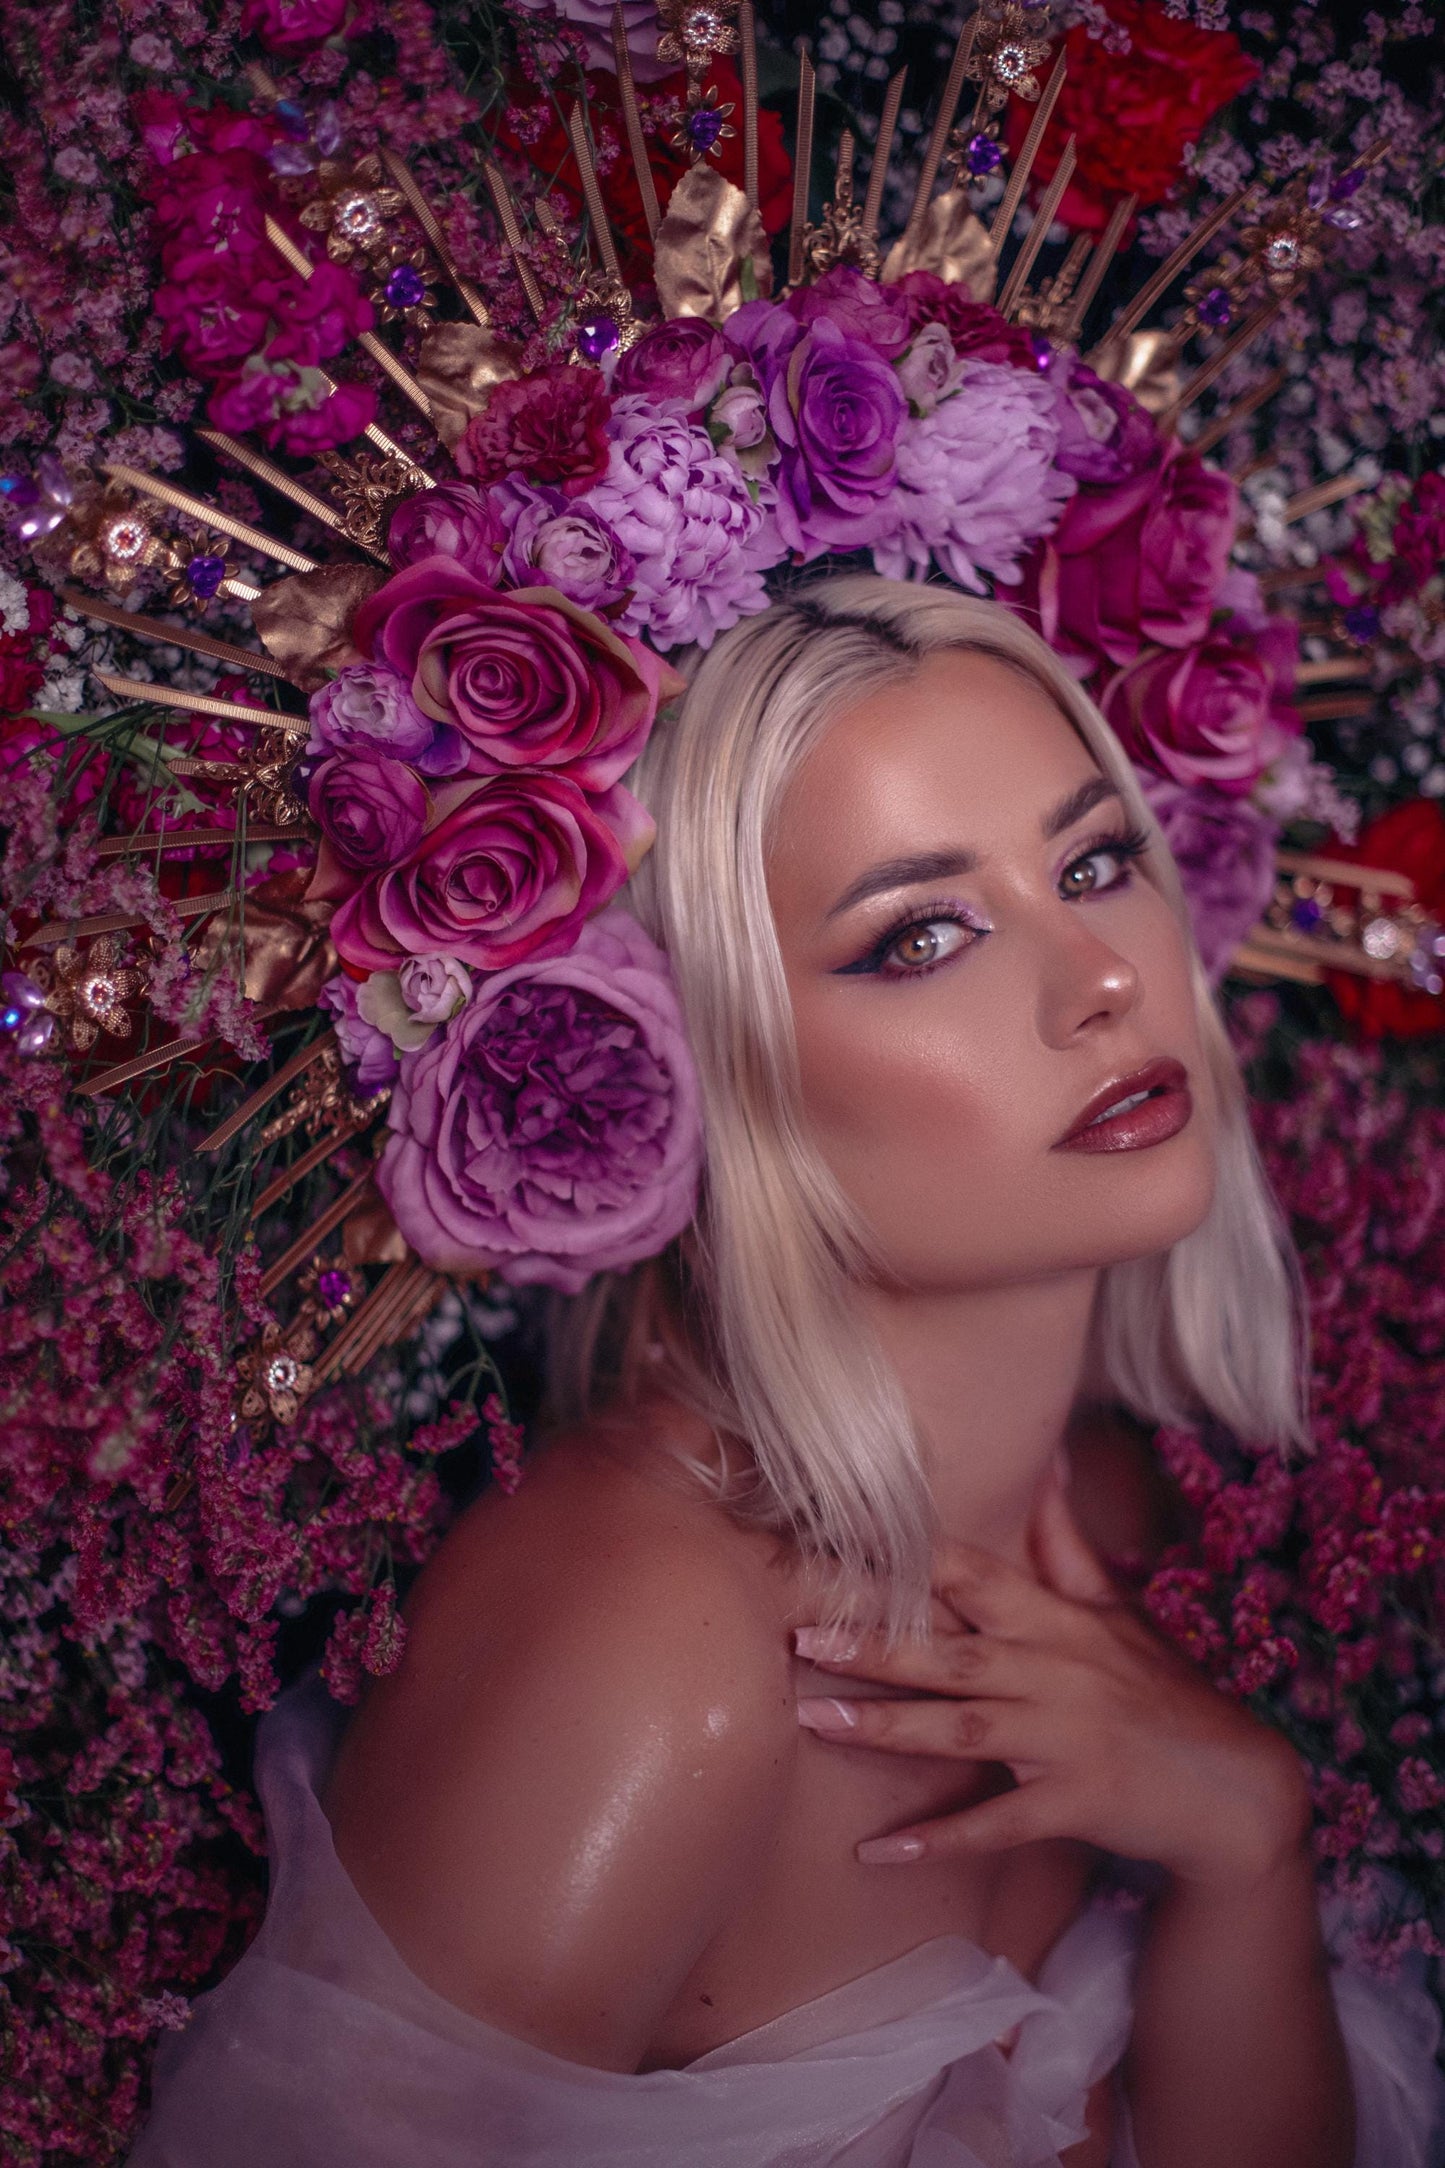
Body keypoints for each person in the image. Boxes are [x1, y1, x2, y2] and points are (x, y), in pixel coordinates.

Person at [129, 579, 1445, 2167]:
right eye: (921, 935)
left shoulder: (1130, 1510)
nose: (1100, 977)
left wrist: (1245, 1842)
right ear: (710, 1062)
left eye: (1094, 861)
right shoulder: (642, 1640)